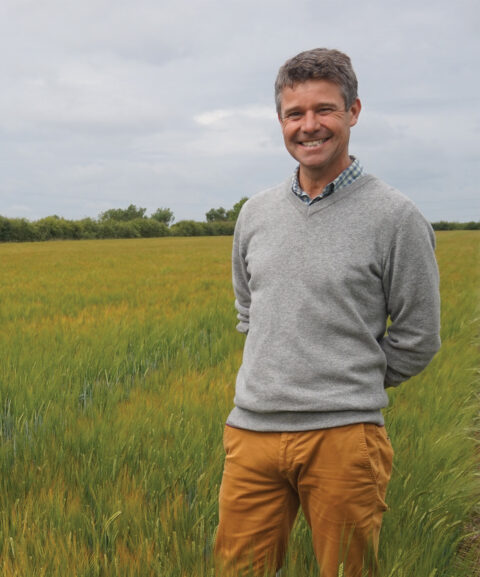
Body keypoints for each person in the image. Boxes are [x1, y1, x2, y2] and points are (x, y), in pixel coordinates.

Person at [214, 48, 441, 577]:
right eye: (295, 114)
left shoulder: (396, 217)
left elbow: (418, 336)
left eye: (325, 110)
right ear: (280, 121)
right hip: (251, 433)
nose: (309, 126)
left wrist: (349, 380)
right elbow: (248, 309)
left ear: (353, 112)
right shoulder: (255, 213)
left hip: (344, 436)